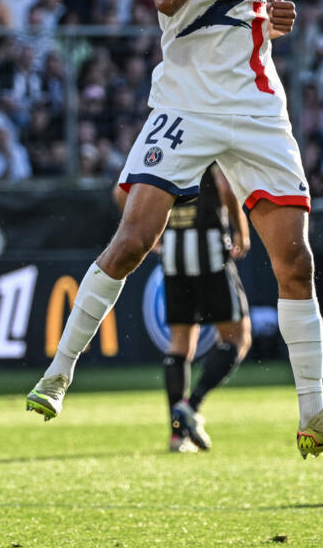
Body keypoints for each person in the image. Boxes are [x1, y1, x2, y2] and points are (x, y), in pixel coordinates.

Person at [26, 0, 323, 460]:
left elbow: (247, 17)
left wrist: (274, 19)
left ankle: (313, 413)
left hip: (257, 106)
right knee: (133, 241)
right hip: (187, 104)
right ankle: (58, 373)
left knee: (295, 262)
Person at [114, 165, 252, 453]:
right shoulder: (210, 143)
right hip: (211, 255)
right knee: (237, 338)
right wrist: (241, 230)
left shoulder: (163, 146)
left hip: (173, 257)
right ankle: (192, 405)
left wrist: (149, 231)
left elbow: (120, 192)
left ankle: (177, 436)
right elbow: (226, 189)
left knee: (179, 345)